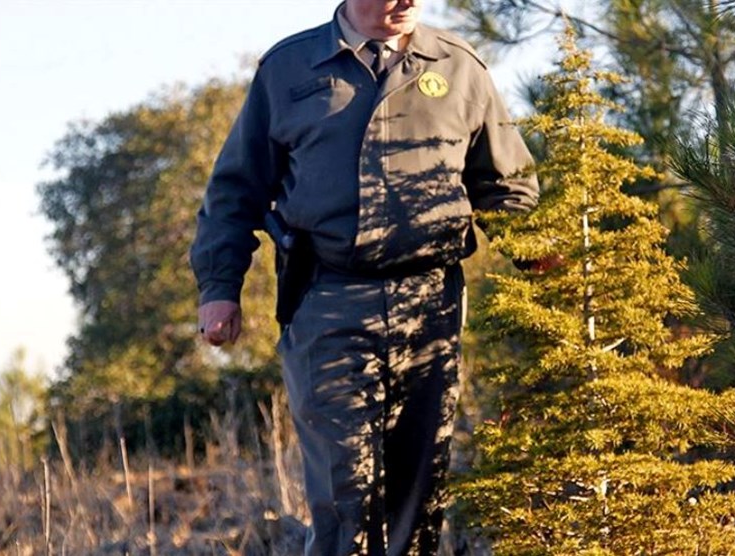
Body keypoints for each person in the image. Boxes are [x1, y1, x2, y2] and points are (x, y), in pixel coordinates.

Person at [189, 0, 539, 553]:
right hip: (327, 298)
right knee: (344, 490)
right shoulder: (289, 69)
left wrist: (545, 267)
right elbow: (235, 192)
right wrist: (219, 289)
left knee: (418, 494)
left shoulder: (459, 66)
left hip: (432, 303)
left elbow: (505, 188)